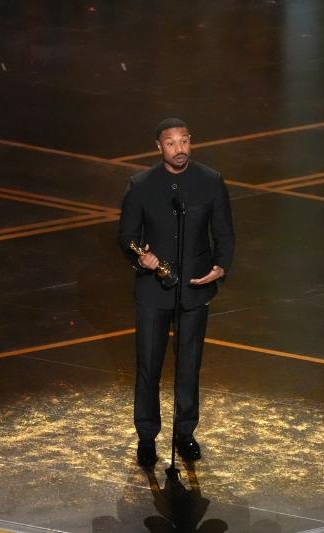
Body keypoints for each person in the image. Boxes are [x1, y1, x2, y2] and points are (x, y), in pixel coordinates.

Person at [118, 118, 235, 467]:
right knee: (148, 367)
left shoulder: (210, 181)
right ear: (159, 147)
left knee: (189, 366)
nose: (179, 148)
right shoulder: (141, 185)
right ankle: (147, 437)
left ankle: (185, 433)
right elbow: (125, 236)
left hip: (194, 288)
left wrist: (220, 266)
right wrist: (143, 259)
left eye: (184, 141)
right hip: (154, 291)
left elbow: (224, 233)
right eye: (171, 143)